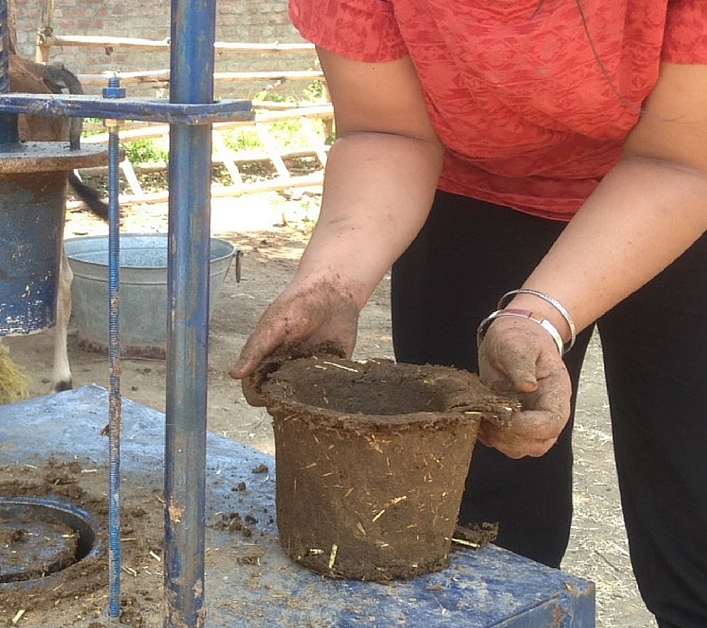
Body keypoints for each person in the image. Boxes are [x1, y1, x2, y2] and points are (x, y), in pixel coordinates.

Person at [228, 2, 707, 626]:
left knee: (694, 501)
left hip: (685, 185)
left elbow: (679, 159)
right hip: (473, 197)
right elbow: (386, 130)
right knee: (479, 505)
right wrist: (330, 284)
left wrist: (541, 316)